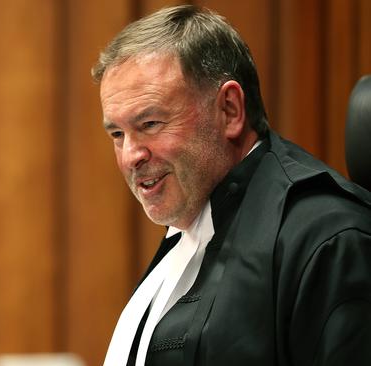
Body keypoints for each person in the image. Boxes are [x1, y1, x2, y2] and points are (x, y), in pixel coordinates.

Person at [92, 5, 371, 366]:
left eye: (151, 123)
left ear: (230, 110)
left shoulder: (328, 238)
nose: (131, 156)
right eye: (117, 133)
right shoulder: (191, 225)